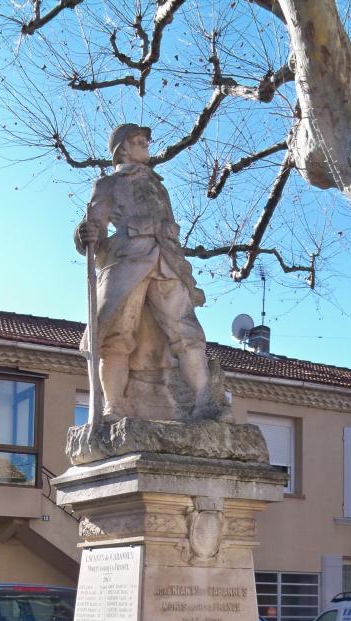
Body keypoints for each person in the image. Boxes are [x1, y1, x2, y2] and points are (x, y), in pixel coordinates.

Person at [75, 124, 224, 422]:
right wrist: (85, 234)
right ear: (123, 149)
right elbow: (94, 228)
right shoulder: (108, 184)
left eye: (145, 141)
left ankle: (205, 400)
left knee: (187, 333)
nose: (146, 145)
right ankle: (113, 407)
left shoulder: (159, 185)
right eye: (139, 141)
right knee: (115, 338)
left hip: (167, 261)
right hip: (128, 262)